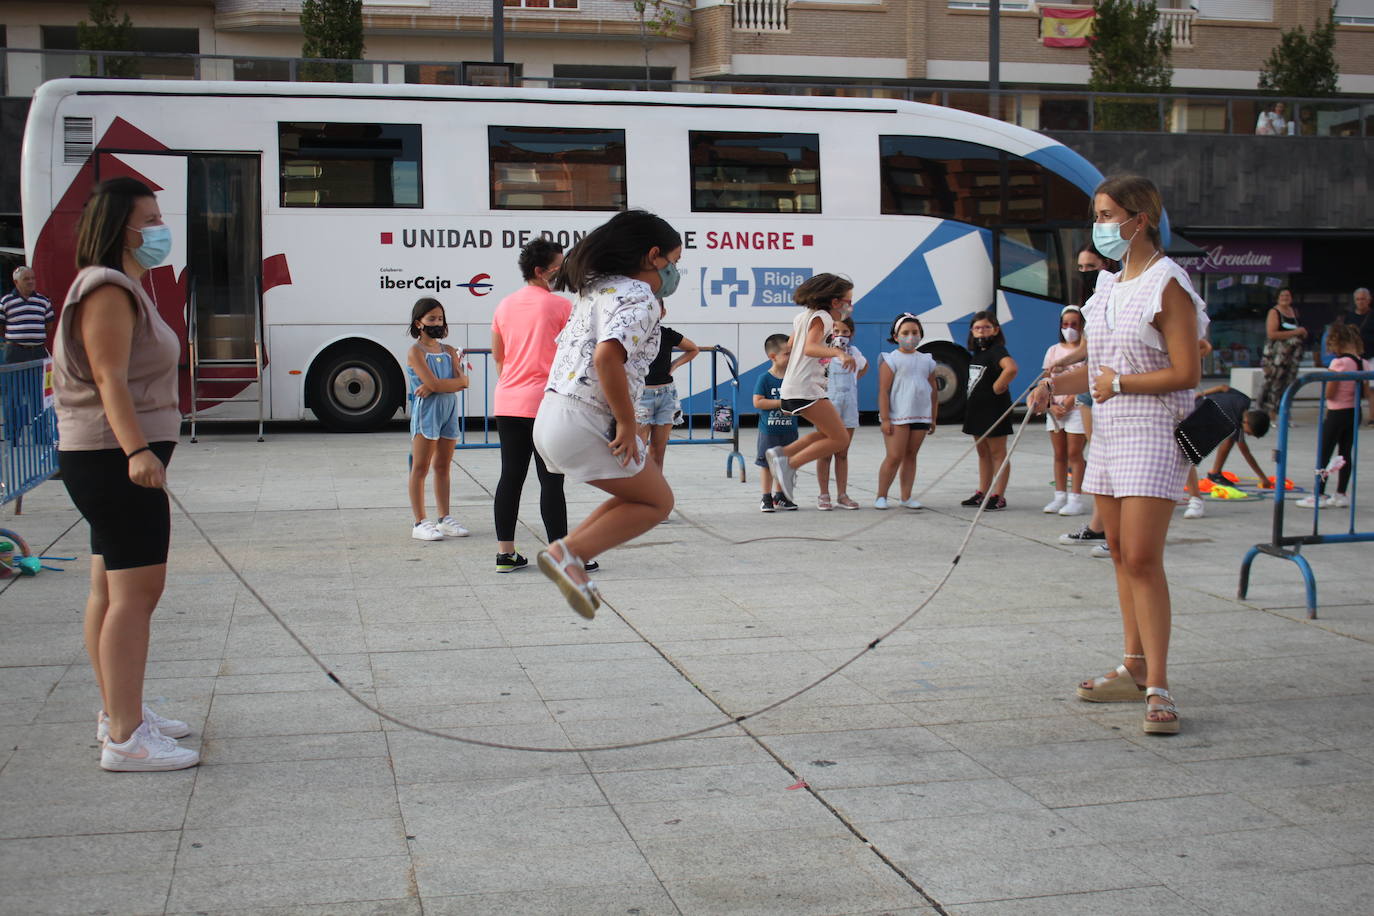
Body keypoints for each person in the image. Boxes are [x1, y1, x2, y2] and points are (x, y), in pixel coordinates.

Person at [1029, 174, 1210, 735]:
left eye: (1109, 216)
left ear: (1141, 218)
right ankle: (1132, 666)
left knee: (1141, 557)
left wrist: (1120, 384)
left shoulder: (1168, 284)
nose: (1101, 226)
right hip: (1107, 430)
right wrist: (1056, 383)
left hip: (1154, 431)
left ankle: (1158, 684)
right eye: (1098, 215)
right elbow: (1099, 367)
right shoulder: (1107, 287)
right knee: (1116, 553)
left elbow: (1186, 371)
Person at [52, 177, 198, 770]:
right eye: (151, 219)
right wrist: (138, 452)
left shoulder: (122, 286)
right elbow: (110, 377)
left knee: (109, 591)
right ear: (121, 228)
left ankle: (121, 711)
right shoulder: (108, 289)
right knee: (136, 596)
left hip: (104, 459)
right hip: (114, 461)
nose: (160, 229)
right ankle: (127, 739)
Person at [532, 210, 679, 618]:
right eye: (674, 262)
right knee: (658, 504)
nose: (675, 274)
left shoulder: (597, 289)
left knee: (639, 495)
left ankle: (568, 554)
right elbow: (607, 358)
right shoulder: (639, 296)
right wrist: (630, 423)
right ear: (653, 257)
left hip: (552, 415)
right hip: (585, 419)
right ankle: (567, 554)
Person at [491, 239, 572, 573]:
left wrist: (514, 384)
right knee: (551, 479)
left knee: (511, 476)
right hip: (544, 404)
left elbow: (500, 356)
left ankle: (505, 554)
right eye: (559, 265)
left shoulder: (504, 306)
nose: (563, 271)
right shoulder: (560, 306)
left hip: (507, 401)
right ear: (542, 271)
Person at [765, 273, 858, 504]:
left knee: (828, 433)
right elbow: (809, 347)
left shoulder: (803, 316)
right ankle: (789, 464)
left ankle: (782, 454)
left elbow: (792, 343)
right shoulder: (824, 318)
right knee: (840, 439)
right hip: (806, 387)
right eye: (849, 300)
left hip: (797, 385)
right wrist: (837, 352)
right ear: (835, 302)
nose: (851, 306)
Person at [405, 298, 470, 542]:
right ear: (419, 323)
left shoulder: (449, 350)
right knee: (420, 467)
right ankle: (420, 521)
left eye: (440, 318)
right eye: (431, 319)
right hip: (427, 413)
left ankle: (444, 518)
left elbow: (465, 381)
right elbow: (440, 382)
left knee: (443, 466)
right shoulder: (415, 351)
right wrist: (440, 385)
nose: (437, 323)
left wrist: (435, 386)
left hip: (449, 410)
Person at [1298, 323, 1369, 509]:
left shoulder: (1338, 363)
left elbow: (1330, 393)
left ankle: (1318, 493)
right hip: (1354, 411)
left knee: (1324, 452)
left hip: (1337, 412)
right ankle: (1341, 493)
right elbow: (1367, 392)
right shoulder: (1363, 362)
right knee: (1345, 454)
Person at [874, 313, 937, 510]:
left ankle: (906, 496)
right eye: (905, 332)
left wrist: (933, 417)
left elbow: (934, 390)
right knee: (894, 456)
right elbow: (883, 390)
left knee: (911, 455)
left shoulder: (927, 360)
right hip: (898, 415)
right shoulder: (890, 359)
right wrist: (885, 418)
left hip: (921, 414)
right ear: (896, 336)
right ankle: (881, 496)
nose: (911, 336)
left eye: (915, 332)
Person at [960, 311, 1017, 510]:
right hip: (977, 410)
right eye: (977, 328)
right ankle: (982, 492)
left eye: (986, 327)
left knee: (997, 452)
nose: (981, 331)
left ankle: (998, 494)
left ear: (996, 330)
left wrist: (998, 386)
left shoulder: (997, 350)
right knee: (982, 452)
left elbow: (1010, 368)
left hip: (994, 409)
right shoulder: (978, 354)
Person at [816, 314, 867, 510]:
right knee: (825, 452)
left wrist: (853, 380)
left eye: (845, 332)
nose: (840, 335)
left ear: (851, 334)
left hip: (849, 406)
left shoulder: (854, 352)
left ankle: (842, 494)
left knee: (842, 453)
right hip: (827, 406)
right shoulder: (824, 352)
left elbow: (864, 366)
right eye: (836, 331)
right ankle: (823, 494)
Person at [1042, 306, 1089, 517]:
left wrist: (1068, 404)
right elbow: (1046, 378)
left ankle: (1075, 498)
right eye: (1065, 324)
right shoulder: (1053, 350)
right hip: (1055, 409)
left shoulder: (1087, 350)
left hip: (1077, 408)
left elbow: (1086, 380)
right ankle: (1059, 495)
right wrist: (1051, 405)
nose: (1069, 329)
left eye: (1074, 324)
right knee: (1059, 454)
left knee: (1074, 453)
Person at [636, 321, 701, 469]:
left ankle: (655, 490)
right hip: (640, 395)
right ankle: (639, 490)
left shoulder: (666, 333)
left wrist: (675, 364)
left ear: (663, 312)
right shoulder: (631, 333)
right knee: (638, 452)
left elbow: (693, 349)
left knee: (658, 451)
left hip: (667, 395)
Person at [753, 334, 799, 512]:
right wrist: (782, 403)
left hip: (790, 430)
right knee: (766, 464)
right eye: (787, 354)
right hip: (769, 431)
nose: (791, 357)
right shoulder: (765, 378)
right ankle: (766, 497)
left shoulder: (793, 377)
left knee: (787, 463)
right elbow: (758, 402)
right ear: (773, 357)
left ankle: (781, 496)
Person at [1257, 287, 1306, 420]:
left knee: (1288, 383)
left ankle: (1284, 412)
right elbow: (1272, 334)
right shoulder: (1274, 312)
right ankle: (1269, 413)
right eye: (1282, 295)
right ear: (1278, 297)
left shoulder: (1293, 311)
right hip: (1276, 357)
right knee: (1274, 383)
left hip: (1291, 357)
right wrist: (1296, 333)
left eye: (1288, 295)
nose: (1285, 298)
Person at [1, 266, 54, 363]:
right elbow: (1, 327)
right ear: (16, 282)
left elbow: (49, 326)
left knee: (39, 377)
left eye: (33, 278)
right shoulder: (6, 301)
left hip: (38, 351)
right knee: (16, 378)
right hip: (15, 352)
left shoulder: (44, 301)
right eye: (26, 279)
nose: (31, 281)